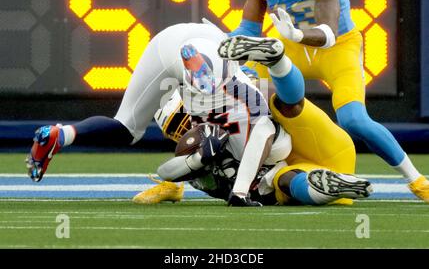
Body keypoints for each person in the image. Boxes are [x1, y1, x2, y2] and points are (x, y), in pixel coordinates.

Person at [26, 22, 303, 206]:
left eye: (177, 127)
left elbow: (168, 172)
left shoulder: (209, 167)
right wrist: (241, 190)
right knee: (219, 93)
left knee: (127, 129)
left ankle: (63, 134)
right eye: (178, 125)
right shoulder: (250, 135)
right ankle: (203, 68)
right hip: (214, 57)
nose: (181, 132)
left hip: (171, 47)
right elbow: (262, 127)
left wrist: (199, 157)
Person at [228, 0, 429, 201]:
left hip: (337, 46)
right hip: (291, 47)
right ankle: (179, 179)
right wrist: (219, 42)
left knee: (354, 119)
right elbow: (249, 27)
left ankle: (417, 180)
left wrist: (297, 34)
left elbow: (329, 32)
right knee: (235, 91)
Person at [133, 37, 373, 206]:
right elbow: (166, 172)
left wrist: (239, 190)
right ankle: (336, 187)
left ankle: (277, 60)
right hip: (289, 172)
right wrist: (200, 157)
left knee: (284, 107)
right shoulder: (194, 156)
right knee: (288, 182)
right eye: (175, 129)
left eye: (181, 120)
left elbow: (260, 121)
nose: (184, 130)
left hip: (314, 144)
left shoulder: (230, 108)